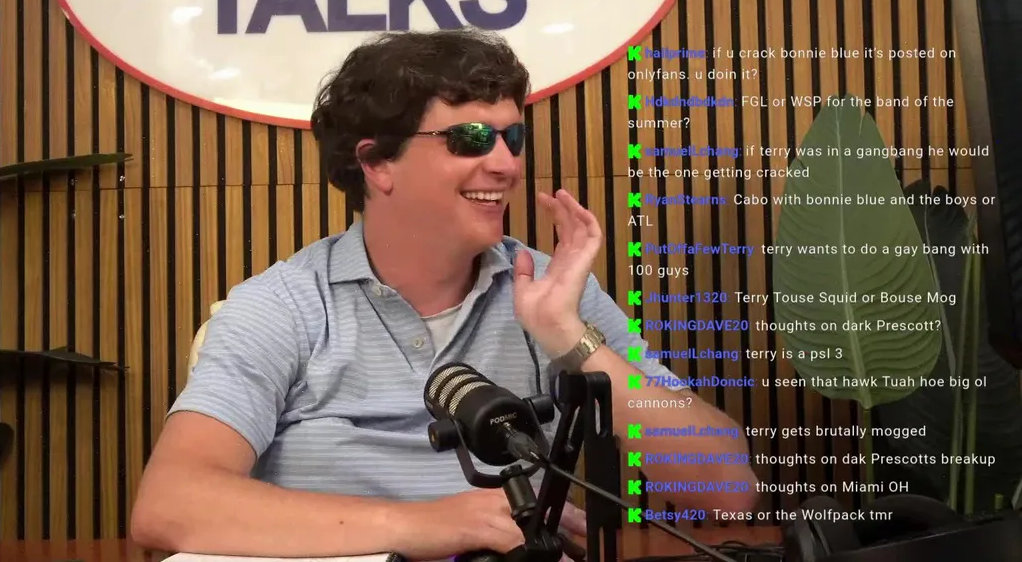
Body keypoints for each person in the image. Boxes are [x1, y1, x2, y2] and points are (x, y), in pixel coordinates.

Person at [130, 28, 759, 560]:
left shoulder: (551, 289)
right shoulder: (282, 305)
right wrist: (427, 524)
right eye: (471, 139)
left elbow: (728, 492)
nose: (506, 165)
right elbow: (169, 504)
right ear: (377, 163)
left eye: (513, 138)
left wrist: (571, 338)